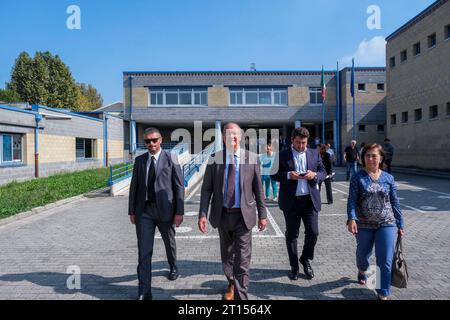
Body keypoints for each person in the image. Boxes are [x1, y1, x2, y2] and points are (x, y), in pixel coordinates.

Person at [198, 122, 267, 300]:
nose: (232, 138)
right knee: (227, 256)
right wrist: (203, 214)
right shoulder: (215, 159)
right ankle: (231, 282)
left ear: (241, 137)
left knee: (243, 259)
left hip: (243, 217)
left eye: (235, 135)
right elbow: (206, 189)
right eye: (228, 135)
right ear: (223, 137)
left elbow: (259, 190)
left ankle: (240, 298)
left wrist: (263, 215)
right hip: (222, 216)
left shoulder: (251, 159)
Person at [128, 127, 185, 300]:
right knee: (144, 251)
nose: (151, 144)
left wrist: (179, 212)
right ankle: (144, 291)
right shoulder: (140, 161)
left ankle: (173, 266)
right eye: (147, 141)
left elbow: (179, 186)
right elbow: (134, 187)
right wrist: (131, 210)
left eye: (154, 140)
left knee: (169, 242)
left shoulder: (171, 158)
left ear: (161, 140)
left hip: (166, 211)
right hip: (144, 211)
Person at [347, 143, 405, 300]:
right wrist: (351, 218)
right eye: (367, 155)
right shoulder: (358, 177)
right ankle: (362, 270)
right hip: (364, 224)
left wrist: (400, 223)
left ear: (380, 158)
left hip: (386, 223)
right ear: (363, 158)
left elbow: (395, 202)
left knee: (384, 260)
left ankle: (382, 293)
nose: (370, 158)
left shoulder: (388, 178)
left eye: (374, 155)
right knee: (363, 255)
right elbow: (352, 200)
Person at [271, 127, 326, 280]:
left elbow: (323, 172)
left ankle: (305, 258)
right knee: (292, 235)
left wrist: (314, 175)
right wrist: (289, 175)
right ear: (292, 140)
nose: (301, 146)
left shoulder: (314, 153)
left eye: (304, 143)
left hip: (310, 201)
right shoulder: (282, 155)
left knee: (313, 232)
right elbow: (273, 174)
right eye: (298, 142)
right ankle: (294, 266)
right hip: (291, 202)